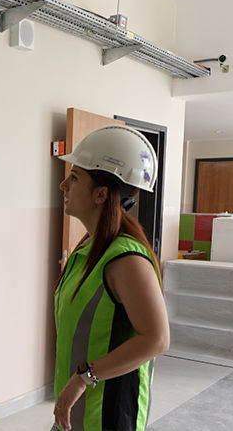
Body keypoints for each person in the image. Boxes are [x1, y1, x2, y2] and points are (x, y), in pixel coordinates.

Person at [53, 125, 170, 431]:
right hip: (79, 412)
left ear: (101, 194)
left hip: (107, 416)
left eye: (75, 177)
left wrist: (84, 378)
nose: (64, 185)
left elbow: (157, 338)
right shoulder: (90, 248)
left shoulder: (126, 259)